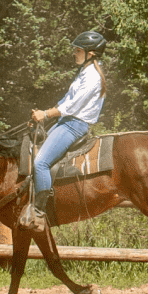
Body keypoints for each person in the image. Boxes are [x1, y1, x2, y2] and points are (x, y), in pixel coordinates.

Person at [20, 31, 107, 230]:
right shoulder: (85, 72)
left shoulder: (92, 77)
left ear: (91, 53)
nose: (75, 53)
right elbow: (65, 102)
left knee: (40, 162)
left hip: (73, 125)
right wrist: (43, 114)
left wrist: (46, 114)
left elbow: (72, 107)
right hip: (66, 121)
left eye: (78, 50)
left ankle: (40, 214)